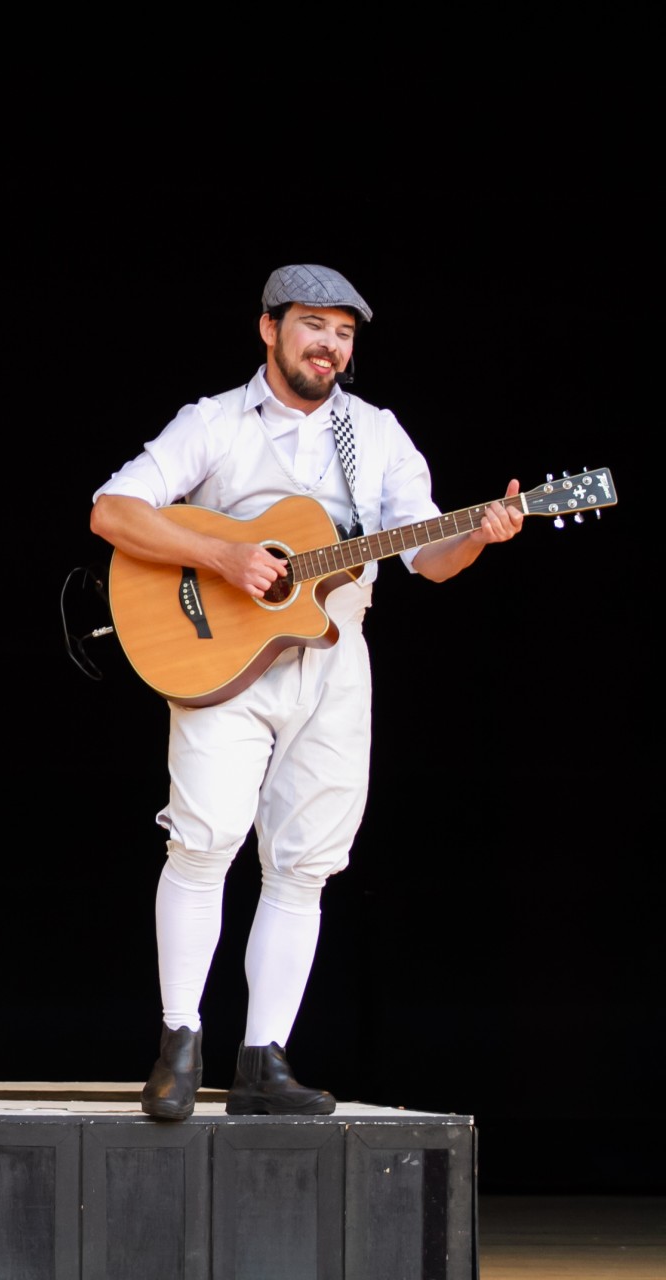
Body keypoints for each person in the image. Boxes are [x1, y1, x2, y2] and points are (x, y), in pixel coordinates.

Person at [89, 264, 523, 1119]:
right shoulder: (214, 423)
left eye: (344, 332)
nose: (329, 344)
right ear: (270, 329)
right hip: (222, 653)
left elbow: (426, 558)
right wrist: (226, 557)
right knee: (206, 838)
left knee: (306, 861)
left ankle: (263, 1062)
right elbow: (113, 510)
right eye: (313, 325)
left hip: (334, 654)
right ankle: (180, 1044)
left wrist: (479, 535)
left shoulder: (375, 433)